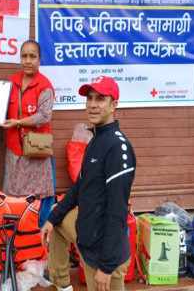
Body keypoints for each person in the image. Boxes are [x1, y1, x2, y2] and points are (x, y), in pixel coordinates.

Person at [41, 76, 137, 291]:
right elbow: (79, 186)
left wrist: (106, 267)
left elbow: (117, 212)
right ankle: (62, 284)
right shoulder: (96, 140)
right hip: (87, 232)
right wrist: (51, 219)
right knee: (57, 213)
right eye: (89, 98)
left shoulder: (117, 148)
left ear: (114, 105)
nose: (92, 104)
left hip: (104, 253)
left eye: (100, 99)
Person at [0, 40, 55, 227]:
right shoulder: (11, 83)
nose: (28, 61)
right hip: (15, 150)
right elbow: (0, 108)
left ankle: (36, 231)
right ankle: (16, 230)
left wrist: (17, 122)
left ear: (40, 59)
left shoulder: (44, 85)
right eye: (24, 56)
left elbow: (44, 116)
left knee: (38, 195)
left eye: (32, 56)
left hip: (37, 151)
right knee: (14, 194)